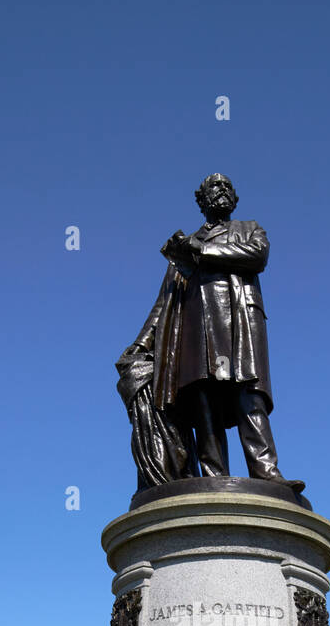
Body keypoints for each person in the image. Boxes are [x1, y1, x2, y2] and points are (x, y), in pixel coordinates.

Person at [118, 174, 301, 490]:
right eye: (214, 188)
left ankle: (267, 472)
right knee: (205, 404)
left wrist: (199, 250)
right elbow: (164, 303)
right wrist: (141, 342)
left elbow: (257, 256)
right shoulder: (182, 251)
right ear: (200, 201)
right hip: (195, 333)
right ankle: (214, 479)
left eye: (228, 187)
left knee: (250, 397)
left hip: (240, 325)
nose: (222, 191)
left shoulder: (248, 230)